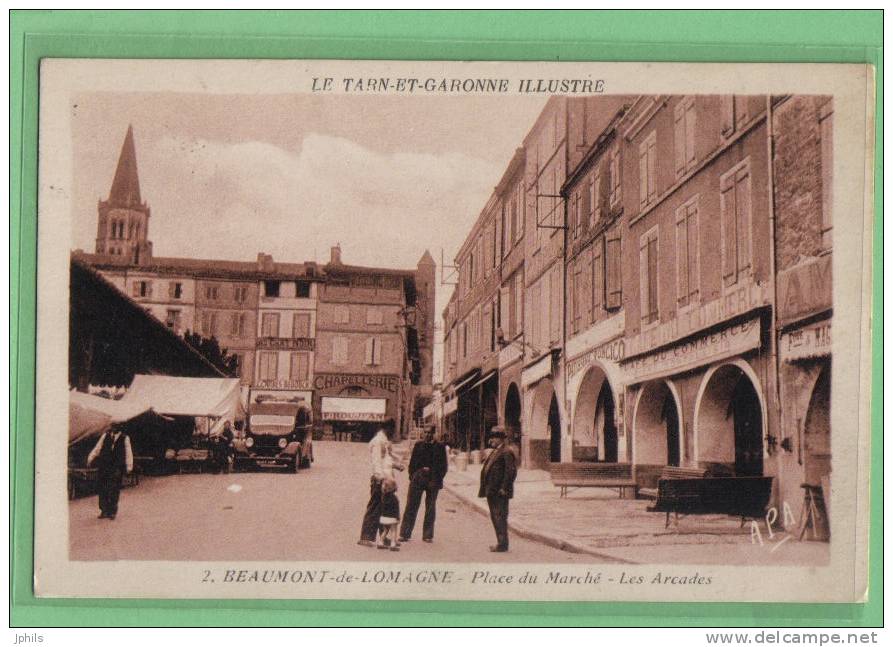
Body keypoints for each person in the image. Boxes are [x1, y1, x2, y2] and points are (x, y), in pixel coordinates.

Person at [399, 425, 448, 543]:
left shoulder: (440, 447)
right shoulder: (418, 445)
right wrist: (413, 476)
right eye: (425, 432)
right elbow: (412, 463)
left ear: (434, 433)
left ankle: (427, 535)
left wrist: (437, 479)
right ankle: (405, 534)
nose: (427, 435)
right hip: (418, 478)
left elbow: (444, 466)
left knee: (430, 508)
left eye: (430, 433)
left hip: (433, 479)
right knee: (411, 505)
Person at [358, 426, 401, 547]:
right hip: (380, 480)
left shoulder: (385, 442)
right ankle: (366, 537)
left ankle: (384, 537)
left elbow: (386, 461)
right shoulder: (378, 442)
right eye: (393, 431)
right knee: (374, 507)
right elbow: (376, 462)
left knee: (385, 510)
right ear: (388, 430)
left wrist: (396, 466)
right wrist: (381, 478)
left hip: (387, 480)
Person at [478, 426, 517, 552]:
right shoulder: (496, 451)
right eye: (492, 437)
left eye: (494, 437)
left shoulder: (506, 451)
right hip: (492, 490)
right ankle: (501, 542)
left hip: (499, 491)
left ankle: (502, 544)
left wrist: (504, 488)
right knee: (496, 516)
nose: (492, 440)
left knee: (499, 516)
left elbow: (510, 472)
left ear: (501, 439)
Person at [87, 423, 134, 520]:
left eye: (115, 426)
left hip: (116, 467)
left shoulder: (125, 438)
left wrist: (129, 467)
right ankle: (104, 510)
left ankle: (112, 511)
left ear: (120, 428)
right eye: (112, 426)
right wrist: (90, 458)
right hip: (104, 465)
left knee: (114, 488)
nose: (113, 428)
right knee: (102, 487)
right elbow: (98, 448)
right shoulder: (105, 436)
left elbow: (128, 453)